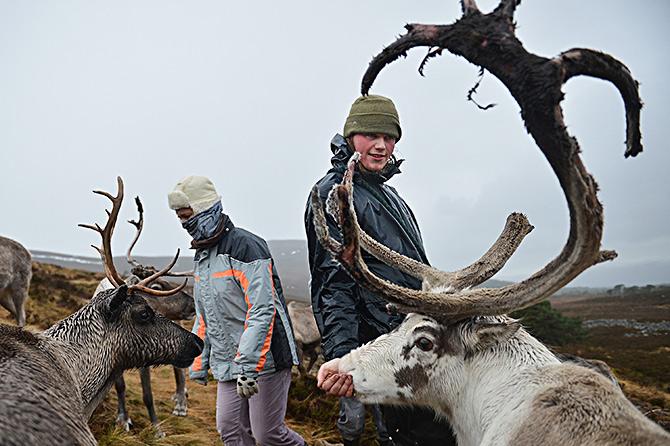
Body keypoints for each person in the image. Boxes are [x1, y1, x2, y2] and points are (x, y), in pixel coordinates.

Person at [304, 95, 457, 446]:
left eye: (389, 137)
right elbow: (333, 284)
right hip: (390, 349)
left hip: (419, 343)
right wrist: (343, 356)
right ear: (350, 137)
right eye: (370, 134)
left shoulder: (392, 197)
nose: (381, 145)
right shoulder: (334, 193)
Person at [168, 176, 304, 446]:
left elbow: (262, 310)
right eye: (180, 218)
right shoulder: (204, 256)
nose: (185, 224)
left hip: (266, 359)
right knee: (231, 431)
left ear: (206, 208)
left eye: (188, 216)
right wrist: (198, 359)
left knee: (267, 435)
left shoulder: (246, 246)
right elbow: (206, 314)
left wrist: (249, 364)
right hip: (228, 362)